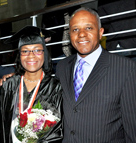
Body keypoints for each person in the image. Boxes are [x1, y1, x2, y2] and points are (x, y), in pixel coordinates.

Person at [56, 7, 136, 142]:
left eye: (88, 28)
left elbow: (132, 128)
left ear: (100, 33)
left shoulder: (125, 68)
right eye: (75, 29)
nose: (81, 34)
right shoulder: (62, 67)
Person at [0, 26, 63, 143]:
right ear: (19, 55)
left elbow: (58, 131)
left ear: (44, 53)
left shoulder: (55, 88)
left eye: (37, 50)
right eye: (25, 51)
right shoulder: (8, 86)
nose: (31, 55)